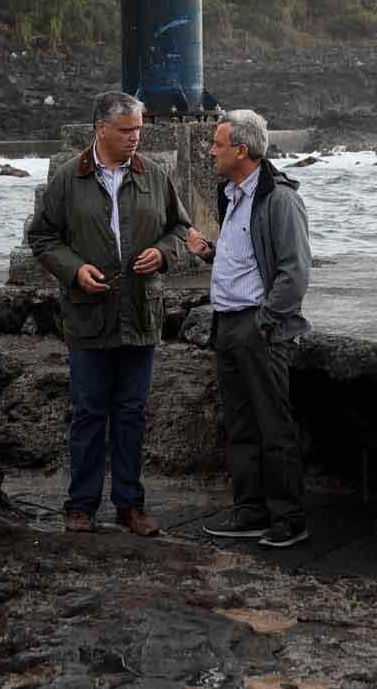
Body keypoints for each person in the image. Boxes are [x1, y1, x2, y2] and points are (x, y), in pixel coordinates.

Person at [22, 90, 192, 536]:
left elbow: (181, 229)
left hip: (140, 312)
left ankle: (131, 506)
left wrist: (164, 252)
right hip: (88, 314)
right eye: (126, 130)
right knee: (88, 413)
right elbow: (42, 237)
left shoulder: (155, 175)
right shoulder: (68, 178)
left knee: (132, 413)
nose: (136, 137)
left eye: (139, 129)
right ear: (100, 129)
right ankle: (80, 506)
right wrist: (75, 270)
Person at [184, 108, 311, 549]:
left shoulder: (280, 199)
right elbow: (242, 256)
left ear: (241, 150)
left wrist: (265, 322)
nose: (210, 151)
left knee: (274, 426)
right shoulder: (231, 194)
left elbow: (294, 273)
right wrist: (209, 252)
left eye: (217, 144)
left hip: (258, 326)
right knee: (240, 425)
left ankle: (289, 519)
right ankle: (251, 511)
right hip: (227, 322)